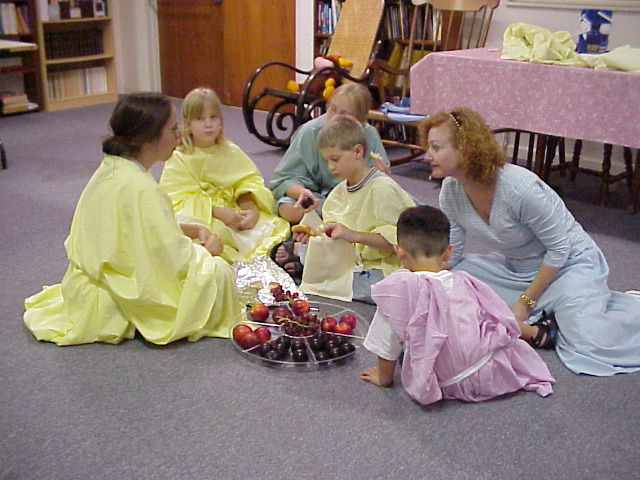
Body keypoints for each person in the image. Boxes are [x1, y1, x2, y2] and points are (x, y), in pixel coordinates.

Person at [420, 107, 640, 376]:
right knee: (453, 282)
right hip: (518, 270)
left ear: (465, 149)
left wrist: (524, 303)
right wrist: (423, 274)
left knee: (591, 343)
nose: (427, 156)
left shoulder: (519, 187)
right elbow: (453, 254)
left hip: (568, 266)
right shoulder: (450, 191)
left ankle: (623, 308)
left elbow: (560, 249)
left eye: (435, 148)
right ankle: (545, 324)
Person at [23, 92, 245, 346]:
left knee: (196, 230)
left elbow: (135, 231)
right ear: (150, 138)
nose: (179, 135)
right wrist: (207, 253)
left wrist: (186, 229)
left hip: (88, 281)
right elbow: (171, 260)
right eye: (173, 129)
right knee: (219, 273)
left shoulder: (117, 167)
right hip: (110, 289)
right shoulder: (140, 188)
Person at [360, 205, 555, 404]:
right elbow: (492, 315)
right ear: (448, 253)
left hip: (447, 383)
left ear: (399, 251)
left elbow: (385, 345)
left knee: (405, 348)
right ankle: (537, 333)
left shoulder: (396, 291)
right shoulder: (464, 281)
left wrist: (383, 378)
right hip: (488, 371)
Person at [159, 87, 290, 263]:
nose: (208, 124)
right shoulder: (179, 157)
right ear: (187, 124)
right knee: (213, 232)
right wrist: (217, 212)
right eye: (200, 119)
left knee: (271, 226)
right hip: (204, 215)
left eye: (213, 117)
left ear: (221, 121)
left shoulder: (230, 151)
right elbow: (176, 199)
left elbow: (248, 181)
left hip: (233, 209)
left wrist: (251, 210)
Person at [294, 114, 415, 302]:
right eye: (327, 161)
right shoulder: (338, 192)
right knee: (309, 253)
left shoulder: (382, 189)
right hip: (351, 263)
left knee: (363, 286)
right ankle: (301, 256)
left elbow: (401, 244)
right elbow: (335, 237)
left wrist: (353, 235)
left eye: (335, 159)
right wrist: (314, 233)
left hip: (381, 267)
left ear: (358, 152)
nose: (330, 167)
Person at [269, 82, 390, 225]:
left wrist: (382, 176)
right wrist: (302, 193)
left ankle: (330, 221)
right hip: (317, 198)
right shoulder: (309, 132)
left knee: (391, 209)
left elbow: (375, 183)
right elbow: (283, 179)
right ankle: (335, 220)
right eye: (332, 109)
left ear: (360, 120)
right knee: (287, 208)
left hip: (354, 199)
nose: (334, 118)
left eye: (345, 114)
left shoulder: (369, 134)